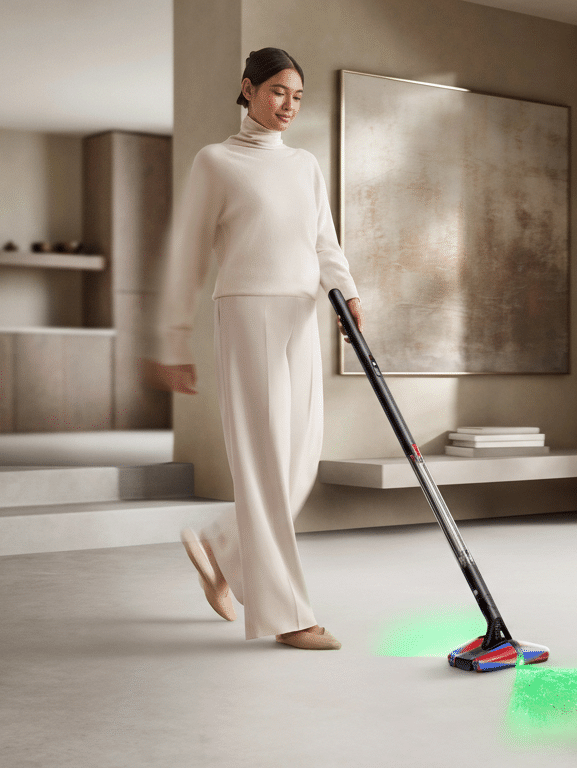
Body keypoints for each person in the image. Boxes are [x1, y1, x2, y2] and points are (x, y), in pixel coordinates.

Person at [145, 48, 363, 651]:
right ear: (248, 89)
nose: (289, 105)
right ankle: (286, 615)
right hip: (248, 314)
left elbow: (324, 242)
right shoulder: (215, 162)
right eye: (277, 92)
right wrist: (173, 339)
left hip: (301, 316)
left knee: (300, 461)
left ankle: (221, 546)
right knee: (265, 464)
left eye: (297, 96)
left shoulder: (305, 165)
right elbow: (187, 253)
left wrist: (347, 294)